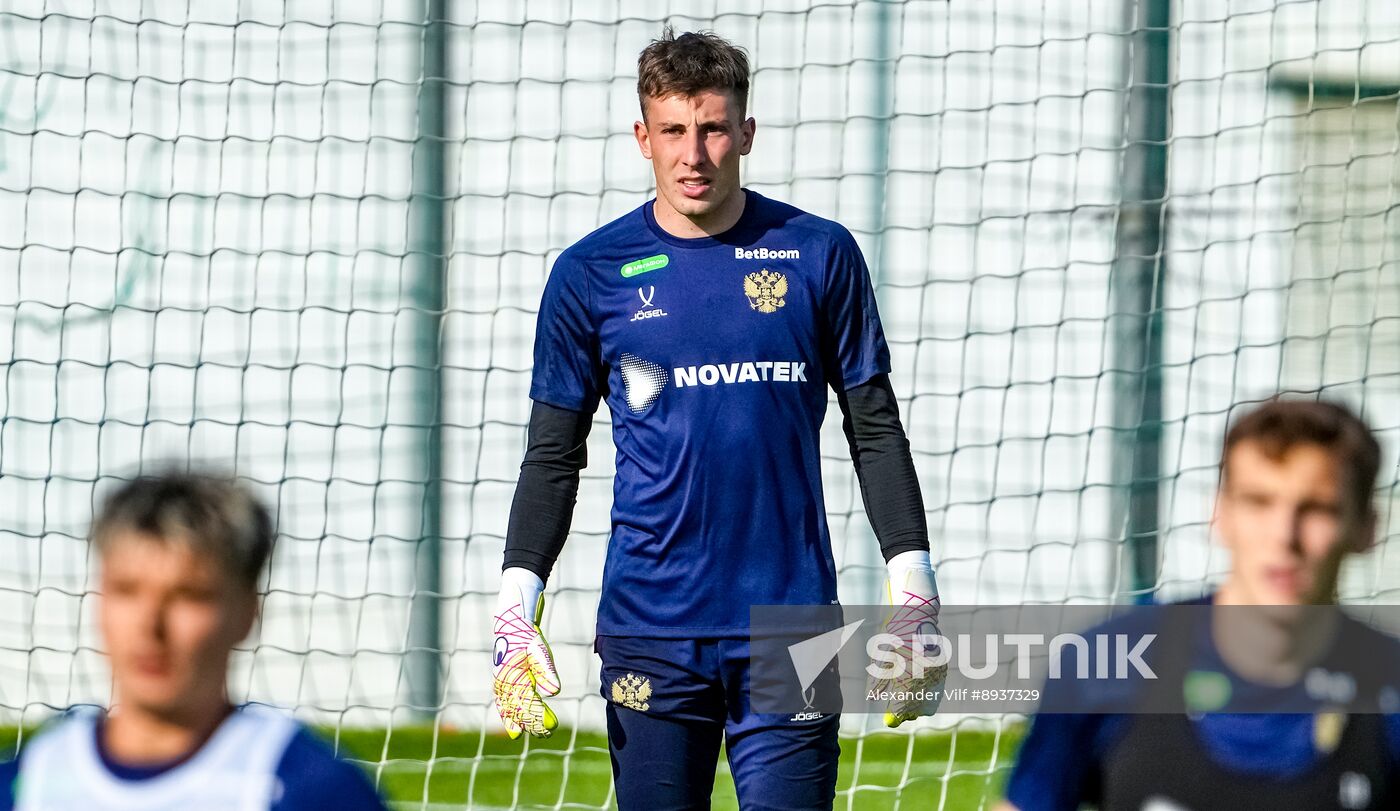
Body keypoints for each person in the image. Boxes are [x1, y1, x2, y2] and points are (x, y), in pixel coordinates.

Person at [489, 26, 940, 809]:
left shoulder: (820, 253)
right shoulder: (589, 274)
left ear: (746, 132)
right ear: (643, 138)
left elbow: (873, 427)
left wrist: (916, 588)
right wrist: (514, 607)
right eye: (672, 131)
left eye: (712, 129)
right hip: (651, 626)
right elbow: (553, 455)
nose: (692, 154)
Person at [1000, 398, 1399, 810]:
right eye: (1258, 501)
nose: (1284, 536)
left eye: (1317, 509)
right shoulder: (1107, 661)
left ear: (1366, 528)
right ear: (1219, 513)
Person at [0, 471, 387, 811]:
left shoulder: (311, 789)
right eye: (127, 590)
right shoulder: (29, 780)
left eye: (188, 596)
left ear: (247, 611)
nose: (150, 625)